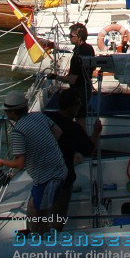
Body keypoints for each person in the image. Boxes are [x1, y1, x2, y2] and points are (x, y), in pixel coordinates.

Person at [0, 90, 67, 235]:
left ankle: (41, 243)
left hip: (48, 177)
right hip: (57, 169)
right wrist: (44, 149)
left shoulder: (18, 132)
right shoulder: (39, 116)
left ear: (13, 112)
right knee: (33, 206)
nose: (7, 114)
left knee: (41, 215)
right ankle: (37, 233)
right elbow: (58, 132)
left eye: (7, 111)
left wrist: (1, 162)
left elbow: (20, 164)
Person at [47, 88, 102, 217]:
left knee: (41, 212)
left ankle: (39, 234)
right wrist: (95, 132)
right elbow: (89, 150)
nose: (80, 107)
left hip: (44, 176)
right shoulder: (73, 129)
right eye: (78, 103)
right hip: (62, 180)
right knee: (58, 217)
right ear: (71, 106)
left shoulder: (47, 118)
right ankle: (52, 235)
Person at [49, 23, 94, 127]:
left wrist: (55, 77)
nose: (69, 38)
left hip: (78, 92)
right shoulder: (89, 49)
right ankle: (82, 139)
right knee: (81, 119)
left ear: (79, 37)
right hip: (86, 89)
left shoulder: (80, 53)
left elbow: (73, 79)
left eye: (71, 36)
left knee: (66, 118)